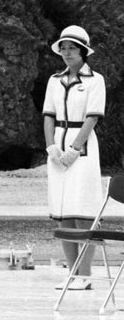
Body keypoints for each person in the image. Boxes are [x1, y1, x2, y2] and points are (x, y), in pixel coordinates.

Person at [42, 25, 105, 290]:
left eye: (72, 48)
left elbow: (93, 116)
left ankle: (86, 274)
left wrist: (75, 149)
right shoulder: (54, 80)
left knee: (83, 211)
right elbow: (48, 115)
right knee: (63, 213)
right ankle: (73, 273)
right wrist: (51, 147)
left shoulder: (95, 80)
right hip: (58, 145)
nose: (67, 52)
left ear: (82, 51)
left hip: (83, 148)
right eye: (64, 48)